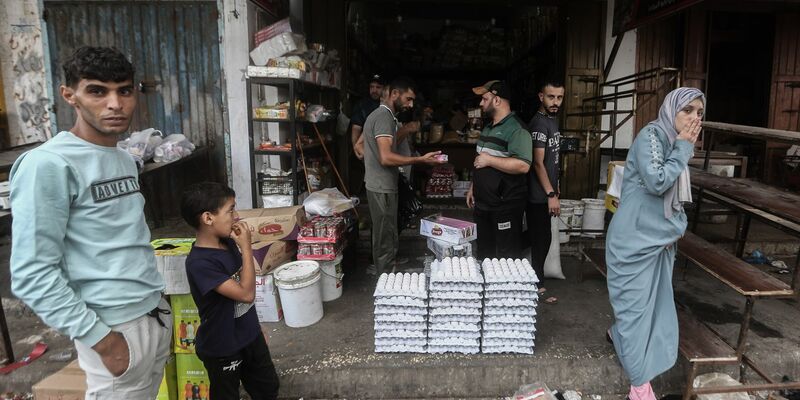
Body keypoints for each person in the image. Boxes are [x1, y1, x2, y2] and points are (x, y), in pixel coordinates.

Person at [9, 46, 172, 397]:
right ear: (70, 95)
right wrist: (103, 340)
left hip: (153, 314)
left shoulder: (125, 159)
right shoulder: (48, 165)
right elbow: (31, 274)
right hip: (112, 327)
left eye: (124, 91)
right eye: (97, 91)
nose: (115, 104)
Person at [605, 87, 704, 400]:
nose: (693, 118)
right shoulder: (652, 135)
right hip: (632, 240)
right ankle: (639, 387)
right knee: (635, 310)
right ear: (671, 108)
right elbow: (658, 180)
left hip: (656, 238)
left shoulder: (674, 141)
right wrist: (684, 147)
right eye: (687, 110)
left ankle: (618, 335)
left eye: (699, 113)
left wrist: (682, 147)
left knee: (651, 309)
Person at [181, 182, 280, 399]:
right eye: (230, 210)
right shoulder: (200, 263)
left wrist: (255, 326)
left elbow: (245, 293)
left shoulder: (227, 242)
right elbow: (246, 294)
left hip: (250, 336)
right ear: (208, 218)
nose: (236, 216)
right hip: (222, 348)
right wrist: (246, 246)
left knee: (268, 389)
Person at [363, 77, 444, 275]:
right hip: (381, 187)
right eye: (408, 99)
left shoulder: (384, 116)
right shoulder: (384, 117)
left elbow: (367, 147)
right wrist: (420, 160)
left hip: (381, 184)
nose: (410, 104)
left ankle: (387, 276)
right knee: (385, 239)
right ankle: (386, 284)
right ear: (394, 94)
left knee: (386, 235)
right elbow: (386, 157)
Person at [466, 80, 532, 260]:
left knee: (506, 257)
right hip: (483, 204)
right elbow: (480, 161)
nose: (481, 103)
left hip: (505, 205)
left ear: (497, 101)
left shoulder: (517, 129)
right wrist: (474, 187)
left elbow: (523, 165)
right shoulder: (488, 128)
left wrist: (490, 160)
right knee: (483, 253)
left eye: (485, 99)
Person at [527, 81, 565, 280]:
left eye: (559, 97)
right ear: (541, 97)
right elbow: (538, 163)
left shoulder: (552, 120)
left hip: (548, 191)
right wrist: (550, 194)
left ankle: (532, 277)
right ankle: (536, 282)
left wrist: (555, 186)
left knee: (542, 236)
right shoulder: (540, 123)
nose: (555, 102)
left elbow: (553, 159)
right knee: (540, 239)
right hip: (538, 193)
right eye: (551, 97)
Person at [349, 74, 384, 195]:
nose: (374, 90)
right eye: (372, 87)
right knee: (372, 179)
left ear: (384, 89)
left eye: (378, 87)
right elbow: (356, 128)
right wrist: (355, 147)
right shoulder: (362, 105)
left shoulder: (389, 104)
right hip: (368, 147)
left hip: (386, 146)